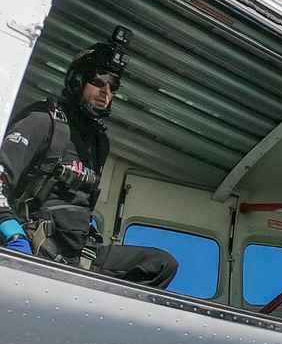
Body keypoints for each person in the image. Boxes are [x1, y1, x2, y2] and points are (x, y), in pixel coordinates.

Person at [1, 29, 178, 288]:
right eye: (98, 82)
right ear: (77, 81)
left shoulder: (99, 143)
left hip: (80, 255)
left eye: (113, 87)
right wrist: (13, 237)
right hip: (34, 247)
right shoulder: (42, 120)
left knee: (162, 265)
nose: (106, 92)